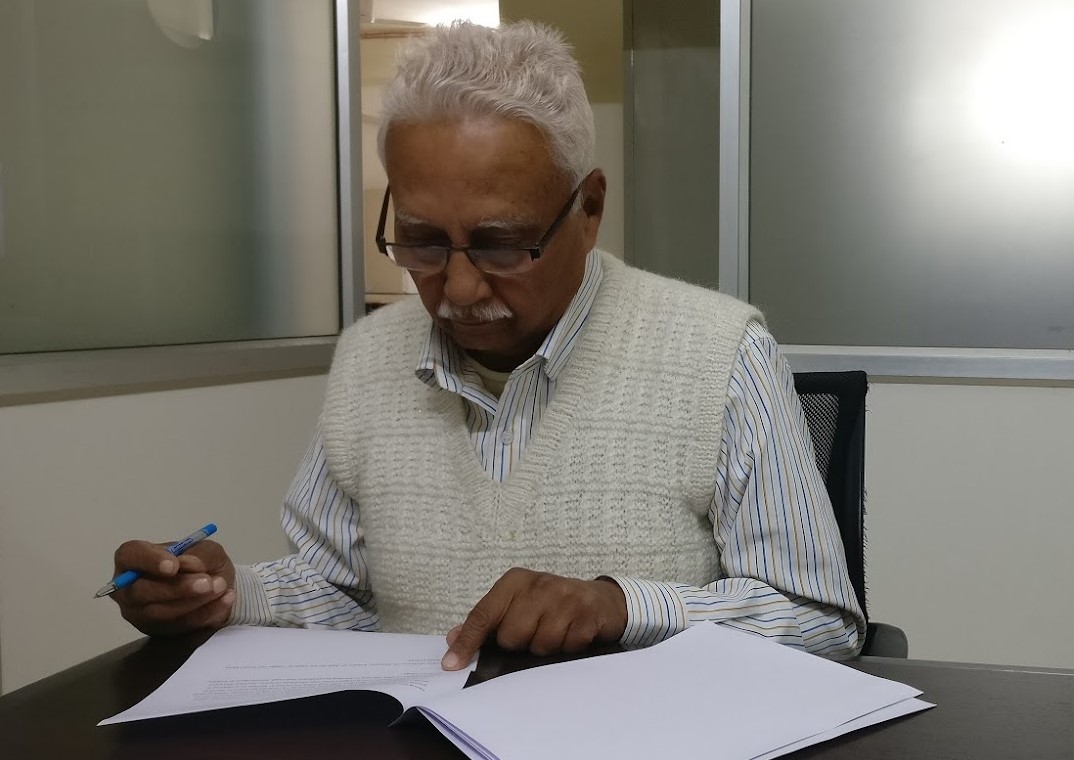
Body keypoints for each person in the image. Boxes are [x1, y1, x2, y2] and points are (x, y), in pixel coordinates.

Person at [111, 20, 864, 671]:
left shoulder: (720, 353)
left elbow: (819, 619)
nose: (461, 288)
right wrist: (221, 593)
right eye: (422, 242)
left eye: (502, 245)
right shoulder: (369, 358)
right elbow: (340, 590)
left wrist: (622, 606)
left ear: (590, 208)